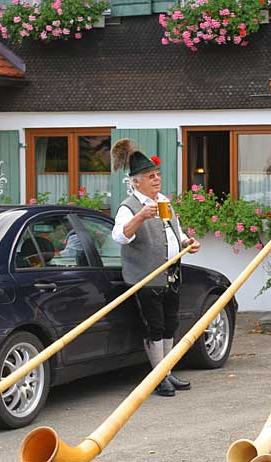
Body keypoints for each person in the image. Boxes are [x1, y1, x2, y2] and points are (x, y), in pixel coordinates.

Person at [110, 139, 201, 397]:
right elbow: (120, 236)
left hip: (171, 273)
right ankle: (158, 377)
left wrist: (188, 243)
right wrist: (141, 216)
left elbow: (176, 233)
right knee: (155, 326)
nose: (157, 179)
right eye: (151, 176)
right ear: (136, 181)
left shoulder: (165, 202)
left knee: (170, 324)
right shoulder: (129, 206)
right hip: (146, 276)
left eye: (158, 175)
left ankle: (167, 372)